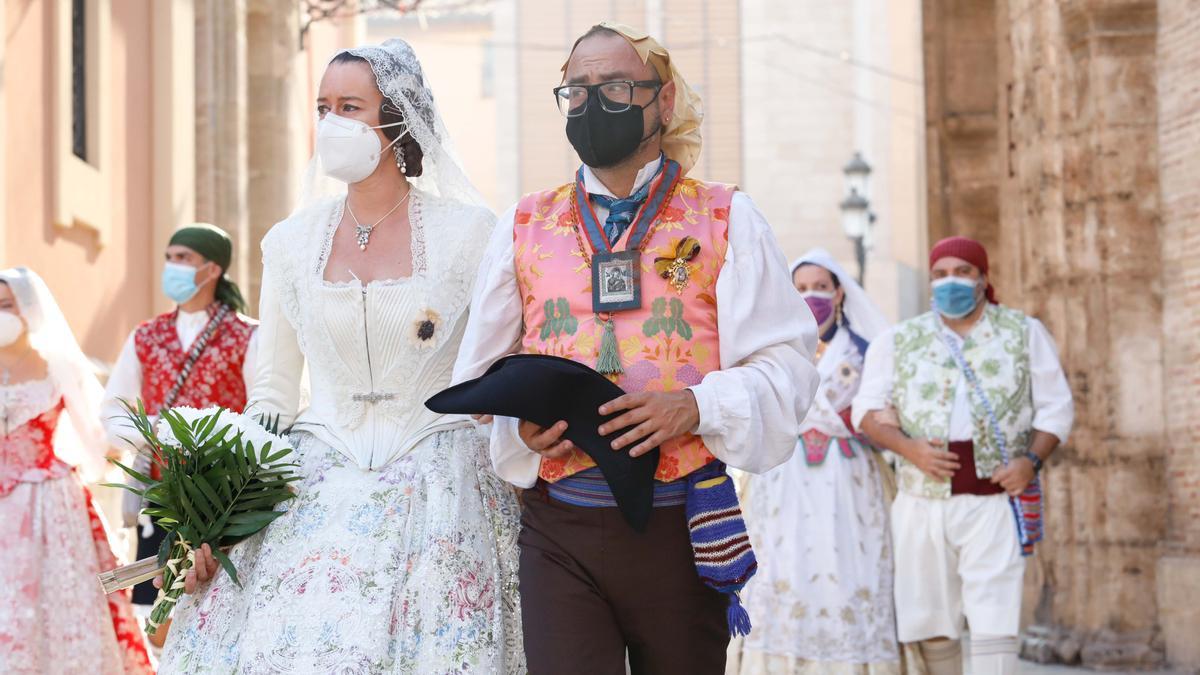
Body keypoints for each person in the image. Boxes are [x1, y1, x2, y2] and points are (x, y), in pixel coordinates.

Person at [454, 22, 820, 675]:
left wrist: (695, 405)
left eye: (617, 86)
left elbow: (789, 368)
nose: (595, 104)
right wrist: (524, 421)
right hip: (558, 523)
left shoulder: (726, 216)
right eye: (579, 90)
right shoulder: (525, 221)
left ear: (664, 101)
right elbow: (482, 376)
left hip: (677, 524)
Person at [156, 40, 523, 674]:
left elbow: (497, 370)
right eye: (322, 107)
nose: (331, 122)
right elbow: (271, 390)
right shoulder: (291, 243)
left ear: (397, 120)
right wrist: (214, 512)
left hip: (442, 481)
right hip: (314, 478)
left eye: (350, 106)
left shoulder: (472, 234)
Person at [853, 236, 1074, 675]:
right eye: (939, 275)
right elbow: (867, 413)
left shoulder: (1023, 333)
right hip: (921, 499)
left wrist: (1030, 461)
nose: (949, 282)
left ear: (982, 278)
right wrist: (910, 449)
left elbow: (1057, 408)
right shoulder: (898, 340)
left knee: (994, 615)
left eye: (961, 272)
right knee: (929, 615)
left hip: (993, 498)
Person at [729, 248, 899, 674]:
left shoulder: (864, 351)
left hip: (850, 476)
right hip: (784, 473)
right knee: (782, 561)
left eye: (821, 287)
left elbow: (881, 410)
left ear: (839, 292)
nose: (812, 295)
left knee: (850, 563)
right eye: (802, 288)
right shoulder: (775, 351)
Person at [101, 222, 258, 643]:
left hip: (226, 499)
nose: (172, 266)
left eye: (183, 258)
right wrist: (156, 431)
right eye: (169, 257)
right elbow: (112, 412)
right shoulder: (146, 336)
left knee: (218, 604)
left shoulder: (249, 336)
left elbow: (266, 412)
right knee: (157, 613)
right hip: (162, 494)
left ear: (213, 268)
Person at [0, 267, 153, 674]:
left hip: (49, 498)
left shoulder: (56, 365)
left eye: (6, 305)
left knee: (61, 595)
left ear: (27, 308)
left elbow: (98, 433)